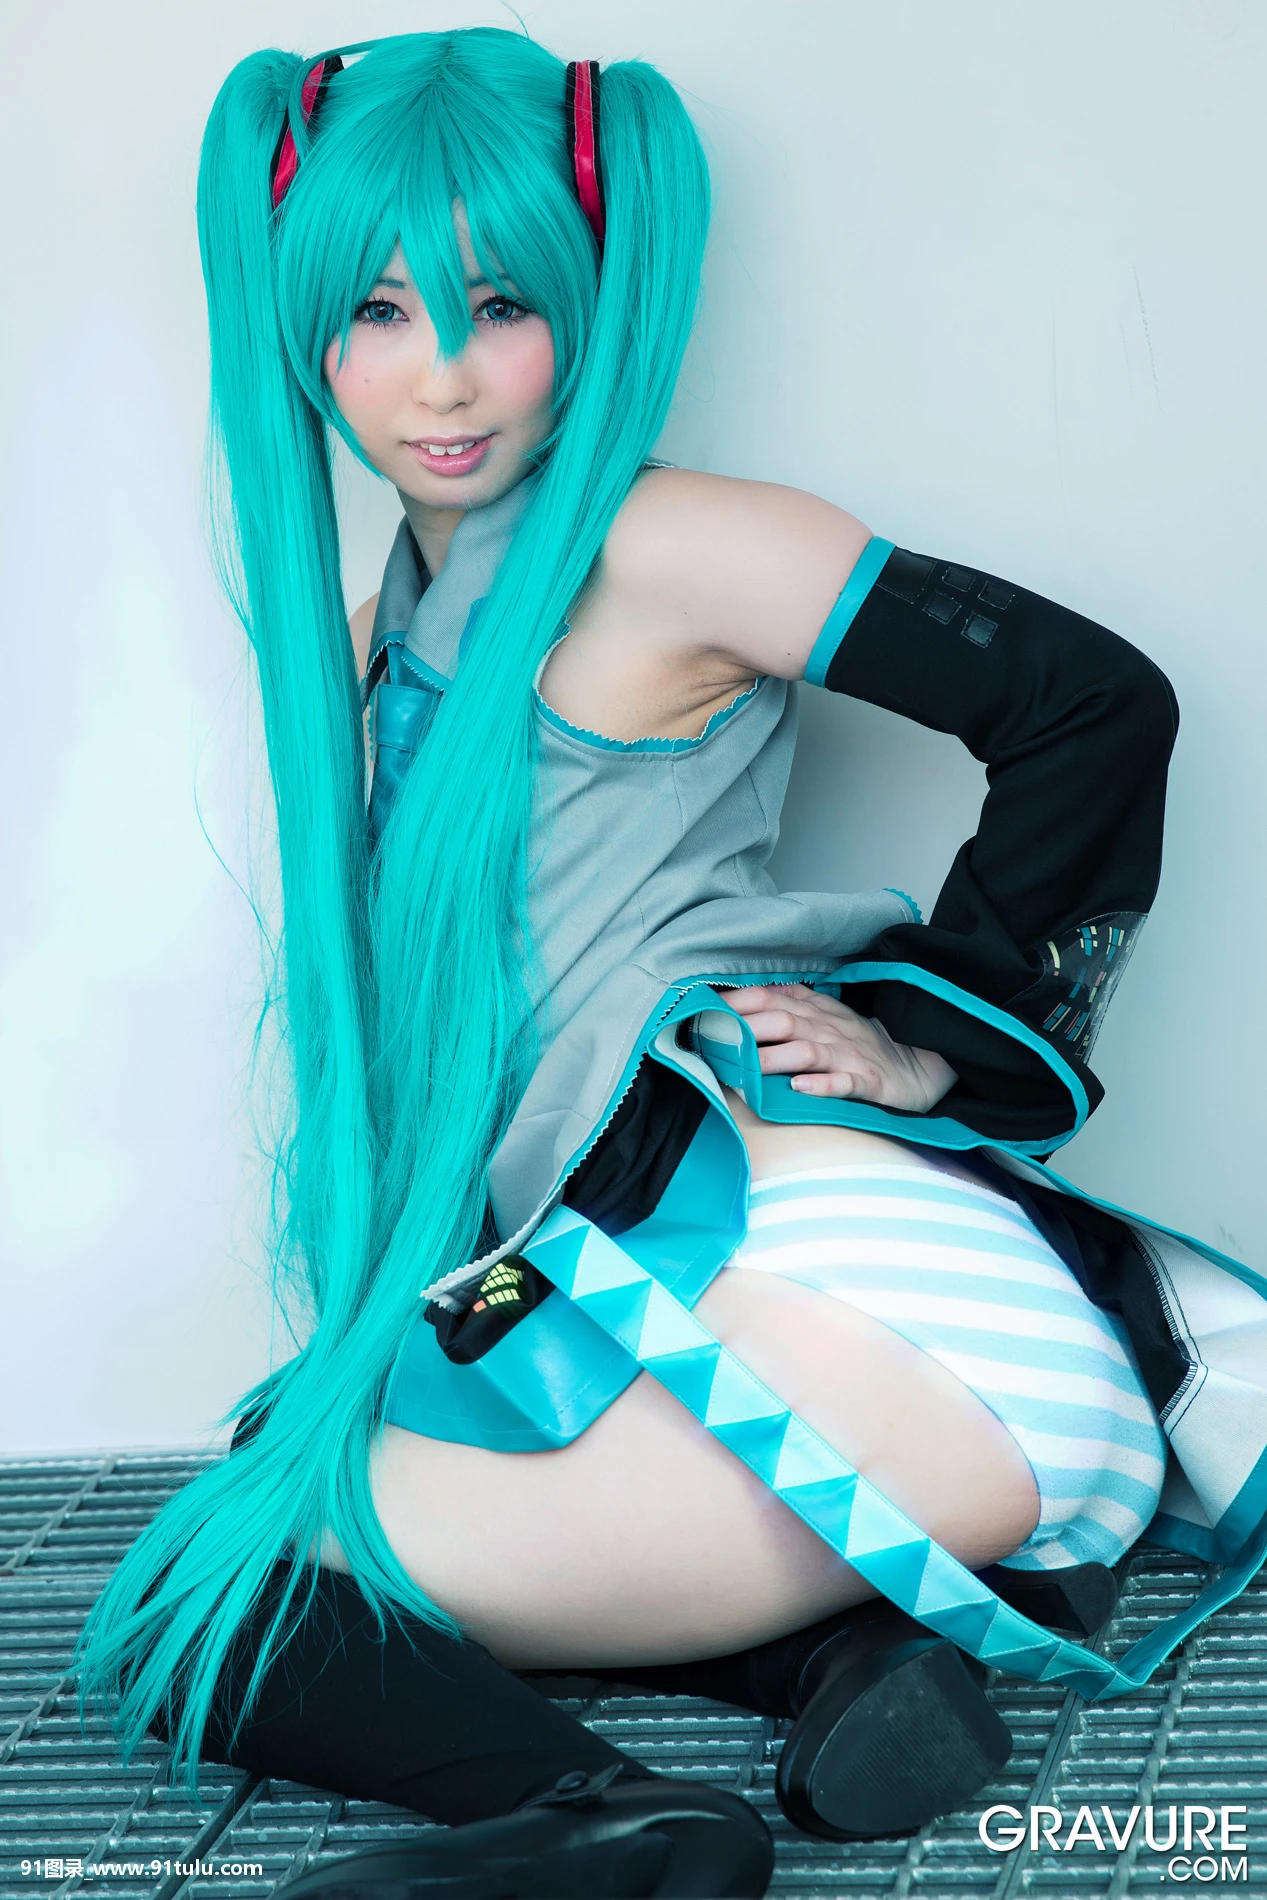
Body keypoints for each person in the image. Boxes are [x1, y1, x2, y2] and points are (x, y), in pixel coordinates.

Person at [75, 28, 1267, 1900]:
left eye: (499, 306)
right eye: (377, 311)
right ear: (297, 321)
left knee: (196, 1594)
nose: (440, 373)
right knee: (277, 1453)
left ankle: (603, 1820)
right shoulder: (400, 611)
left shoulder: (658, 542)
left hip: (860, 1310)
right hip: (799, 1322)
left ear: (592, 302)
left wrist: (938, 1039)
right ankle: (842, 1659)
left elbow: (1091, 702)